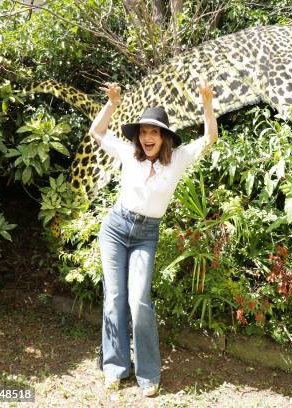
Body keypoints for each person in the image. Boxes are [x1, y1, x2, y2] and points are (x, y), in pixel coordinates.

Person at [90, 79, 218, 397]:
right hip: (115, 230)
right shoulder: (129, 154)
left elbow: (210, 138)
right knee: (115, 299)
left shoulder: (177, 160)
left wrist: (206, 101)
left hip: (146, 235)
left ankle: (148, 374)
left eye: (155, 132)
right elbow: (97, 132)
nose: (148, 137)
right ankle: (115, 368)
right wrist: (112, 104)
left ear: (164, 138)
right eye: (144, 132)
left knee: (139, 301)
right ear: (138, 136)